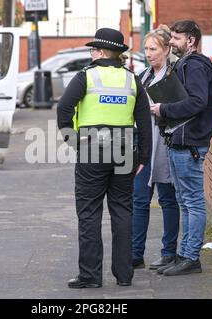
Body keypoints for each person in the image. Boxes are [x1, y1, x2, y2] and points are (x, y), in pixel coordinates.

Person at [57, 28, 152, 288]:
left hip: (92, 149)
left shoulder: (86, 76)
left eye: (92, 50)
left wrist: (73, 141)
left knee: (89, 212)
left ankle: (90, 276)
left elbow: (64, 108)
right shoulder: (132, 79)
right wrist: (144, 155)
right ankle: (124, 275)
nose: (90, 54)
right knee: (122, 210)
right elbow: (144, 120)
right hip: (125, 150)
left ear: (99, 52)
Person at [152, 20, 212, 276]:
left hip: (189, 143)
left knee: (192, 201)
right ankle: (184, 254)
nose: (171, 42)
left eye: (176, 38)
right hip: (180, 141)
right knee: (184, 201)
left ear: (190, 40)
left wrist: (164, 109)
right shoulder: (186, 64)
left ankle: (191, 257)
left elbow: (197, 101)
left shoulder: (194, 66)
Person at [131, 25, 180, 271]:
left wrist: (159, 108)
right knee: (139, 199)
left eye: (153, 49)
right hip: (144, 145)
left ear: (166, 50)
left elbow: (182, 109)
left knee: (168, 200)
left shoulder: (173, 76)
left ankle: (169, 252)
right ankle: (135, 253)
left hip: (166, 145)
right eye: (146, 49)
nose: (148, 54)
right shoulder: (143, 76)